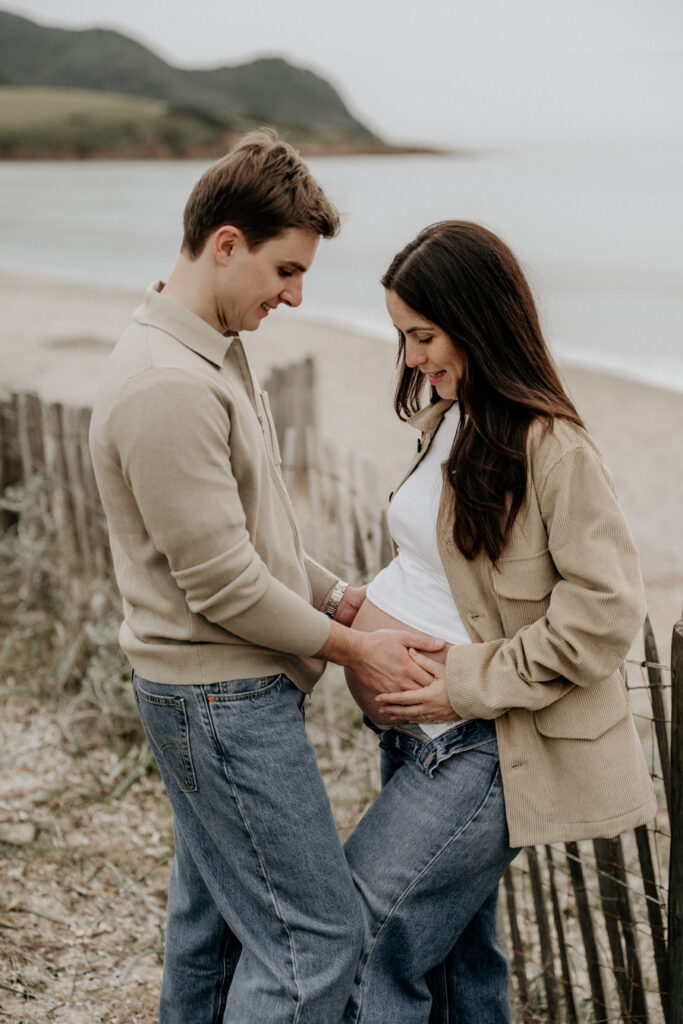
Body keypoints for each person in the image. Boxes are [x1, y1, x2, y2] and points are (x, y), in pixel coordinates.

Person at [88, 131, 443, 1024]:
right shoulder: (168, 384)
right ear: (225, 244)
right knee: (313, 941)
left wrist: (335, 595)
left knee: (210, 930)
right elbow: (222, 586)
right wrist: (357, 646)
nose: (294, 295)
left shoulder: (208, 348)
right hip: (219, 702)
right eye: (285, 270)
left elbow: (249, 535)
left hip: (213, 697)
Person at [342, 221, 657, 1024]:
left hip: (481, 743)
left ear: (476, 318)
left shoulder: (553, 449)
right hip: (411, 734)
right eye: (402, 338)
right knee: (453, 958)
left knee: (364, 934)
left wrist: (458, 684)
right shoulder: (447, 421)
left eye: (422, 335)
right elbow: (432, 569)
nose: (411, 358)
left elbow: (602, 615)